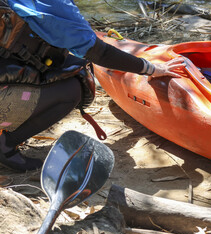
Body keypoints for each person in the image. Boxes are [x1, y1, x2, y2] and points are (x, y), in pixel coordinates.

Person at [0, 0, 185, 172]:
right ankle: (6, 146)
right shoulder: (54, 5)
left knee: (68, 62)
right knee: (74, 88)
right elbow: (100, 53)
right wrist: (152, 69)